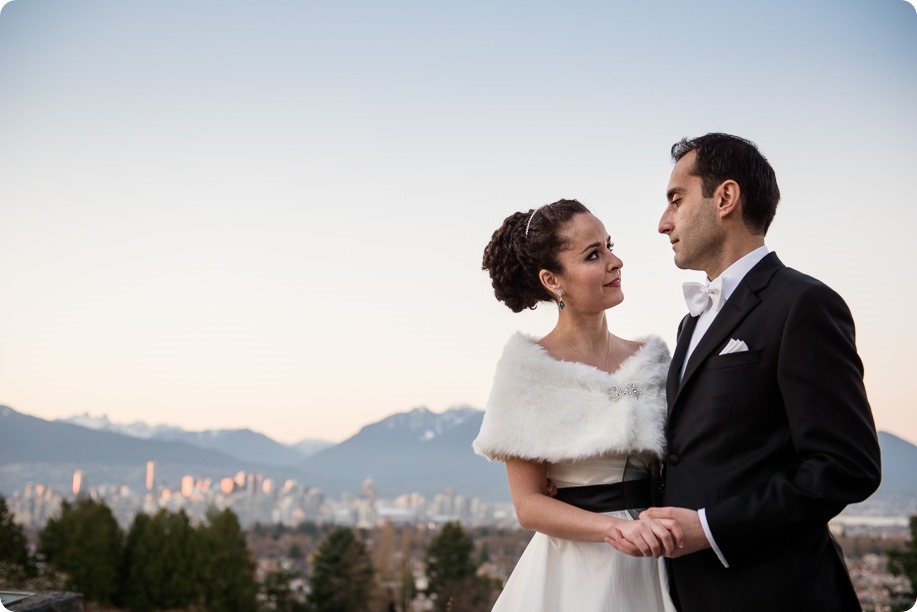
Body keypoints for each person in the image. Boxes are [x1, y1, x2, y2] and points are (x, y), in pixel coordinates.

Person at [620, 133, 881, 611]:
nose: (663, 223)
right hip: (688, 594)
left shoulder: (803, 303)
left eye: (676, 199)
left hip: (777, 594)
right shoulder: (691, 322)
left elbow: (846, 466)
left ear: (725, 198)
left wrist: (711, 528)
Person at [472, 199, 678, 611]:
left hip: (663, 561)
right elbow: (528, 505)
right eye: (593, 255)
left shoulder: (654, 359)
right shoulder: (527, 368)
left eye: (610, 246)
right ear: (553, 280)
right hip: (577, 572)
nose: (615, 262)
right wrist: (612, 530)